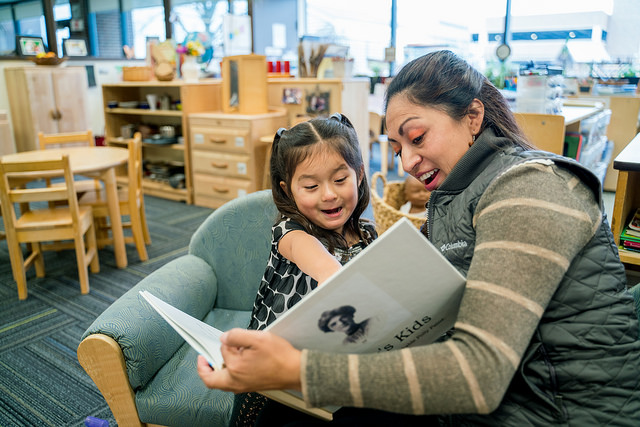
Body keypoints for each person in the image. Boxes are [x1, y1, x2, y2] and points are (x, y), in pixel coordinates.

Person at [198, 50, 640, 426]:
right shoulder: (455, 198)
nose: (406, 161)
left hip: (558, 409)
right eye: (395, 148)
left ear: (472, 116)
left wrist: (300, 370)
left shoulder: (530, 188)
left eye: (416, 137)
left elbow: (479, 374)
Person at [232, 113, 377, 425]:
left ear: (360, 175)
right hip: (272, 386)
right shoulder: (292, 232)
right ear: (288, 190)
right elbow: (326, 269)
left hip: (332, 371)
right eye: (311, 185)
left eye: (340, 179)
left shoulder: (367, 234)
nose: (329, 194)